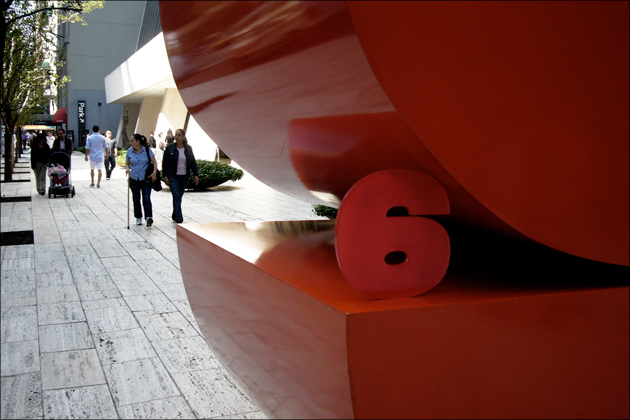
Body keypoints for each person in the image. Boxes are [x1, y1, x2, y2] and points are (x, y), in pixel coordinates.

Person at [162, 128, 199, 223]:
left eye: (179, 135)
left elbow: (193, 162)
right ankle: (179, 217)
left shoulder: (188, 148)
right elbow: (165, 163)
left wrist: (196, 175)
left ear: (183, 137)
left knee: (178, 197)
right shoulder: (170, 147)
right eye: (176, 135)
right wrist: (165, 176)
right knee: (177, 196)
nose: (177, 137)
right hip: (173, 176)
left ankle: (175, 214)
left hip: (184, 176)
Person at [125, 133, 157, 227]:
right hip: (134, 178)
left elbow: (154, 162)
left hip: (145, 178)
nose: (131, 143)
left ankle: (148, 217)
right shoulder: (129, 151)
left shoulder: (147, 150)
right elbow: (127, 163)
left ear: (138, 141)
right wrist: (127, 168)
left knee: (146, 198)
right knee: (136, 198)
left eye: (132, 141)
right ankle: (138, 217)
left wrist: (154, 172)